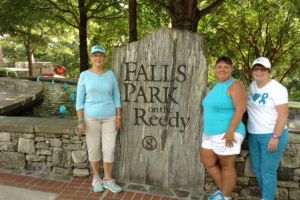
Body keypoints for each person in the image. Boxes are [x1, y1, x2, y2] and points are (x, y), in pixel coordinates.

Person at [76, 45, 122, 193]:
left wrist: (118, 116)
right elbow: (79, 101)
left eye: (101, 55)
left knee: (109, 148)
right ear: (91, 58)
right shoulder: (84, 75)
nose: (98, 58)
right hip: (91, 119)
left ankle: (108, 179)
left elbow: (117, 97)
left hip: (110, 118)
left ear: (105, 58)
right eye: (95, 55)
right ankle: (96, 177)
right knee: (94, 148)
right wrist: (80, 120)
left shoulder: (111, 75)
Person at [201, 56, 247, 200]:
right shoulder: (217, 86)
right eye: (219, 66)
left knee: (227, 165)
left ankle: (225, 197)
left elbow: (241, 110)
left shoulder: (235, 85)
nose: (222, 69)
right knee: (208, 162)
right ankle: (224, 191)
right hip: (209, 132)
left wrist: (230, 132)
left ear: (231, 69)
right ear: (215, 69)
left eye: (226, 67)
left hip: (227, 132)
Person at [247, 57, 289, 200]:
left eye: (262, 69)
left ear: (269, 71)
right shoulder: (252, 86)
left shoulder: (277, 88)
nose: (259, 72)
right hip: (254, 134)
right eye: (256, 69)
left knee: (267, 172)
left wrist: (275, 137)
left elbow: (284, 114)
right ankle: (267, 197)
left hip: (272, 135)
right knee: (258, 171)